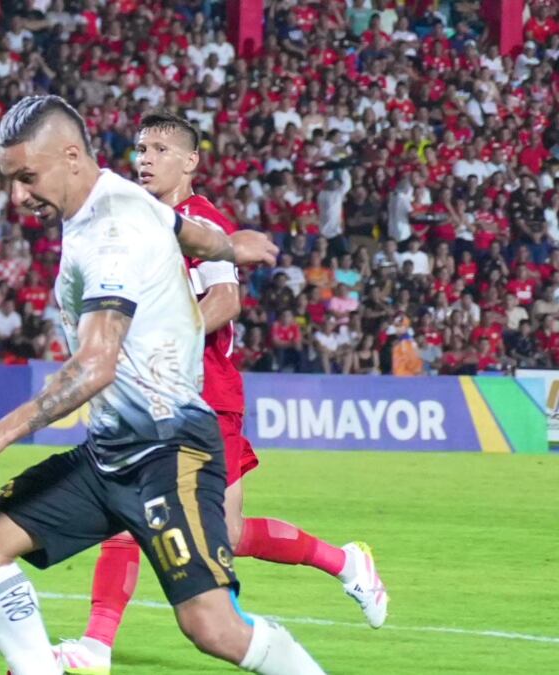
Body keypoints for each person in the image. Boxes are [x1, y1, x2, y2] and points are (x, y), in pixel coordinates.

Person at [0, 96, 321, 675]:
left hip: (171, 450)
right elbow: (181, 229)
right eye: (10, 181)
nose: (17, 197)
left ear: (70, 156)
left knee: (212, 628)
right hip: (113, 451)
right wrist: (229, 246)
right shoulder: (116, 192)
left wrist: (1, 430)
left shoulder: (106, 238)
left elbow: (95, 365)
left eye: (26, 178)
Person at [52, 111, 385, 673]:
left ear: (191, 162)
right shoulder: (140, 220)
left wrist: (160, 339)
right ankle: (96, 645)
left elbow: (226, 302)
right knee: (128, 510)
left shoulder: (200, 219)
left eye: (160, 149)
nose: (146, 158)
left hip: (208, 397)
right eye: (140, 147)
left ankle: (343, 561)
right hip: (154, 399)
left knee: (223, 534)